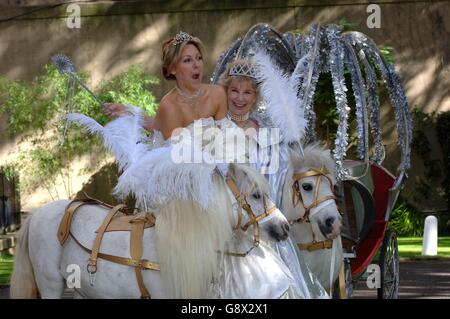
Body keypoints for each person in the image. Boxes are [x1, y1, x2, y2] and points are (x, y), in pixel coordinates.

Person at [219, 58, 329, 299]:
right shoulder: (215, 129)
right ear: (225, 91)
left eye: (247, 92)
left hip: (268, 225)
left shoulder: (268, 133)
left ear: (256, 96)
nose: (240, 98)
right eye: (234, 90)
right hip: (230, 231)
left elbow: (280, 179)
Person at [102, 31, 228, 140]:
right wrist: (127, 112)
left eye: (198, 58)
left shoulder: (218, 94)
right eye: (187, 60)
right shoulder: (170, 106)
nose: (196, 65)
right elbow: (178, 157)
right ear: (173, 69)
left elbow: (225, 139)